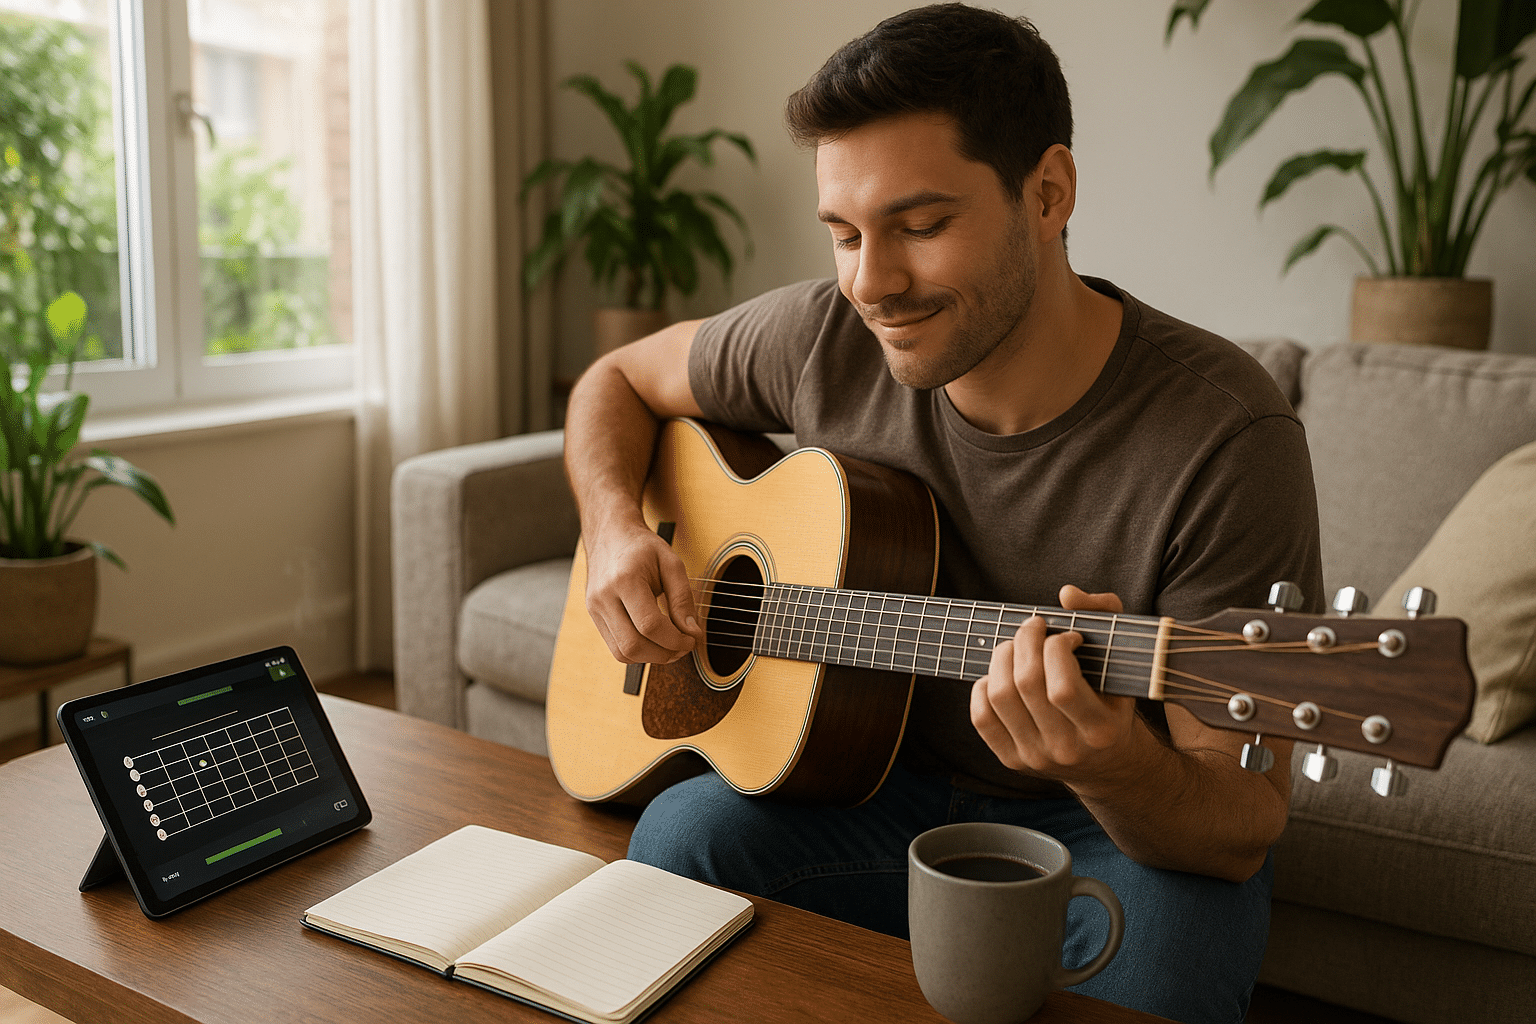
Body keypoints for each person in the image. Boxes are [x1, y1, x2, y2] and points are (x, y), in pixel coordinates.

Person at [561, 5, 1323, 1022]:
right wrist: (615, 525)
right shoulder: (819, 335)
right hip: (867, 786)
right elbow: (614, 379)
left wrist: (1110, 759)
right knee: (676, 846)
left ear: (1047, 193)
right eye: (843, 233)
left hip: (1104, 822)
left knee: (1165, 979)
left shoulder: (1225, 433)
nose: (871, 283)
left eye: (921, 227)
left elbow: (1238, 821)